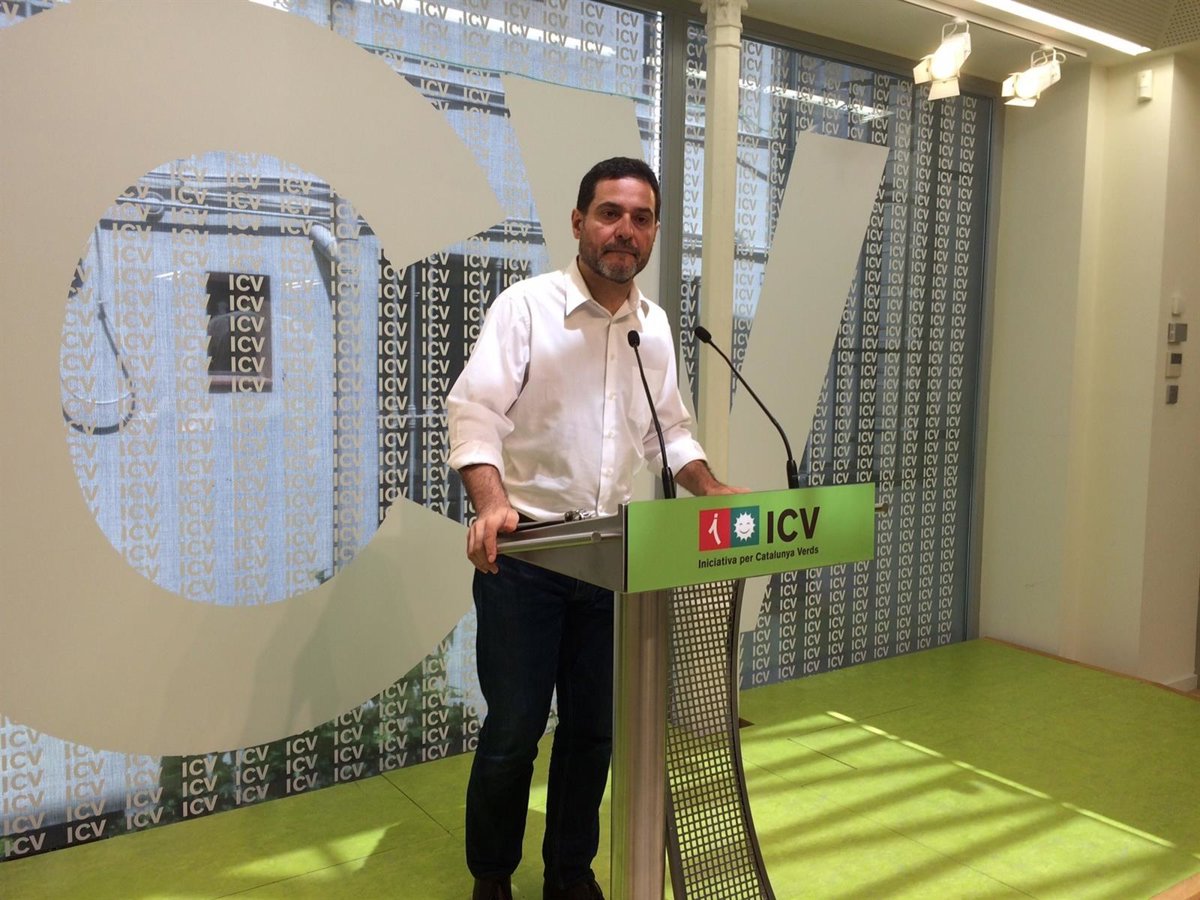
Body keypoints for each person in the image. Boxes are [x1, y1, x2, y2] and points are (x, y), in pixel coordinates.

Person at [447, 156, 743, 900]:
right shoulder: (526, 308)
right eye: (610, 214)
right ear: (579, 222)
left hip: (611, 558)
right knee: (514, 730)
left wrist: (710, 490)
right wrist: (490, 502)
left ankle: (569, 870)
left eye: (641, 218)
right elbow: (475, 413)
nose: (624, 230)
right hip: (528, 554)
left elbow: (667, 432)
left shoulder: (654, 326)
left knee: (593, 731)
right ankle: (492, 874)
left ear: (655, 232)